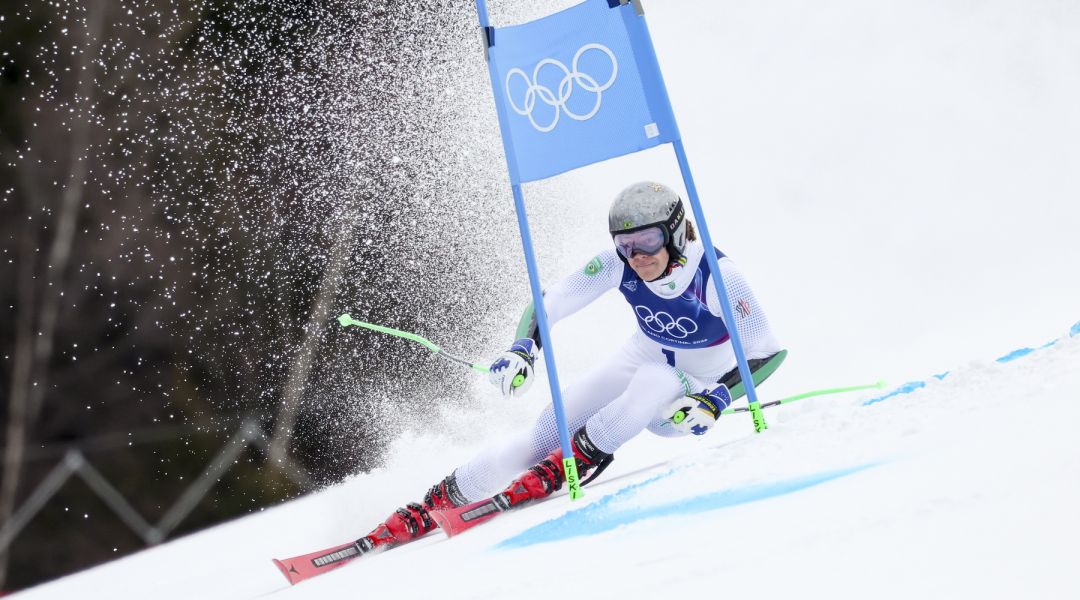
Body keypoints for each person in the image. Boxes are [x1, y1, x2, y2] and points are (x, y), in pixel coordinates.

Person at [358, 181, 785, 551]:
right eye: (626, 244)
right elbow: (554, 300)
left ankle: (577, 459)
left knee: (654, 380)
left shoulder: (715, 274)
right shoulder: (620, 262)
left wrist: (716, 398)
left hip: (689, 396)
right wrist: (524, 346)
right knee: (544, 433)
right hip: (641, 355)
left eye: (649, 241)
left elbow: (766, 352)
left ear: (674, 231)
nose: (637, 255)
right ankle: (440, 499)